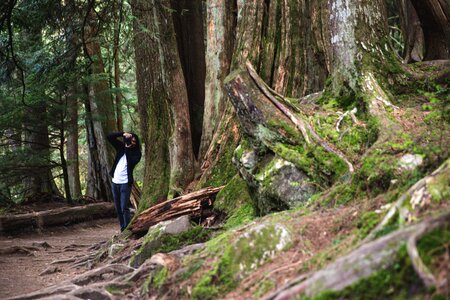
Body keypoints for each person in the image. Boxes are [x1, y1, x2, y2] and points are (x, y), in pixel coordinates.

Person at [107, 131, 142, 231]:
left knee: (124, 207)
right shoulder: (121, 147)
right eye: (131, 140)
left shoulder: (137, 153)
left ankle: (127, 228)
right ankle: (122, 227)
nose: (133, 143)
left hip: (125, 183)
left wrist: (127, 147)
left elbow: (130, 162)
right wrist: (123, 134)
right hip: (115, 182)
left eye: (135, 141)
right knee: (118, 208)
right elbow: (109, 137)